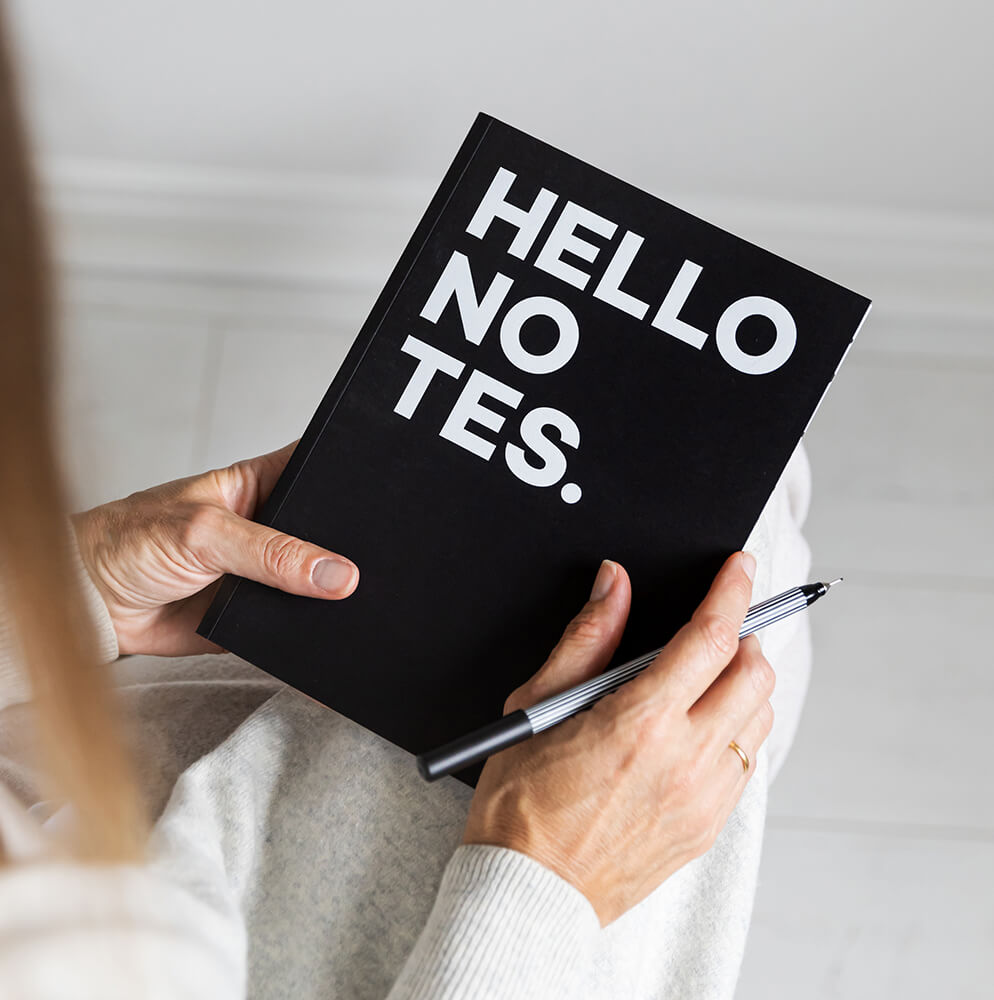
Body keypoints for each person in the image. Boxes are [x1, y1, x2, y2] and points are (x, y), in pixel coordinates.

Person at [0, 11, 814, 999]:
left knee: (721, 493)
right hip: (435, 908)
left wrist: (65, 596)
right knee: (745, 548)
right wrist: (543, 880)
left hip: (122, 769)